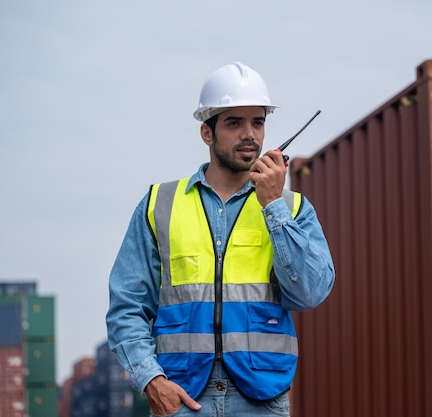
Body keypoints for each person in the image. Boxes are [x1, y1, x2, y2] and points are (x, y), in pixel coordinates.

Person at [106, 62, 335, 417]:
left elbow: (309, 294)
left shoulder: (291, 208)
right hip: (181, 399)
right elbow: (127, 305)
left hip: (262, 401)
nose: (250, 135)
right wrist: (151, 380)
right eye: (234, 123)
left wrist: (273, 206)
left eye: (257, 122)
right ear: (206, 133)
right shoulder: (159, 205)